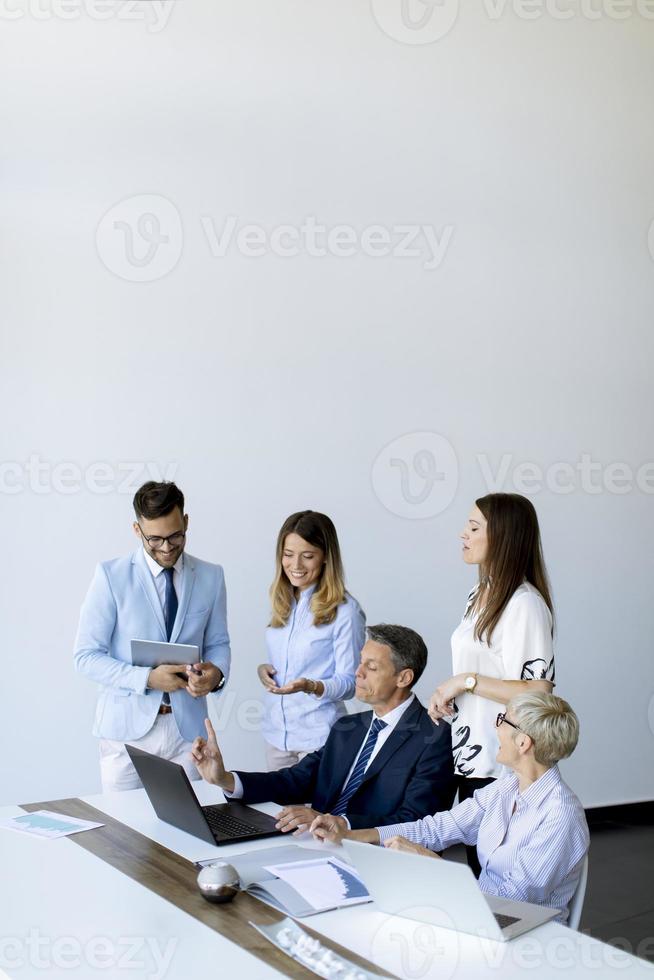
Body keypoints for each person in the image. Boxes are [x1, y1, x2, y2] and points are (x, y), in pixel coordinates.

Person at [311, 692, 589, 926]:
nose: (496, 727)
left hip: (524, 932)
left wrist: (431, 864)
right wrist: (349, 834)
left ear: (523, 742)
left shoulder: (560, 815)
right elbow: (436, 828)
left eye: (502, 720)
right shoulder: (506, 787)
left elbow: (511, 903)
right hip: (480, 913)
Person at [192, 624, 455, 832]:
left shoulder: (434, 736)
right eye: (360, 662)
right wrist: (225, 779)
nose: (357, 672)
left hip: (376, 857)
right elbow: (294, 781)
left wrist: (339, 824)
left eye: (371, 667)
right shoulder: (348, 727)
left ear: (404, 677)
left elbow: (417, 822)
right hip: (316, 843)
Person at [74, 481, 230, 792]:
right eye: (154, 539)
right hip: (125, 736)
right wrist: (147, 678)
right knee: (122, 834)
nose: (167, 547)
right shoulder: (110, 576)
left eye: (175, 536)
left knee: (188, 836)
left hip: (188, 736)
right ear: (137, 530)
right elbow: (85, 656)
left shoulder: (211, 576)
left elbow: (217, 644)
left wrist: (216, 674)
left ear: (186, 522)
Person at [428, 493, 555, 875]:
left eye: (473, 527)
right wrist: (452, 691)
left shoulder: (524, 604)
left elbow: (539, 691)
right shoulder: (479, 596)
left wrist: (464, 681)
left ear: (502, 536)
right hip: (472, 756)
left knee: (495, 880)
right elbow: (479, 674)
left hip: (501, 764)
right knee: (477, 869)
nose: (462, 534)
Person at [257, 510, 366, 770]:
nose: (296, 565)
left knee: (311, 813)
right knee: (277, 812)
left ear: (326, 557)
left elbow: (352, 683)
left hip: (319, 741)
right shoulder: (283, 602)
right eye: (288, 554)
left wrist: (312, 686)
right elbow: (286, 662)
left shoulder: (346, 611)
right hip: (277, 738)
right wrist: (264, 670)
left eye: (307, 556)